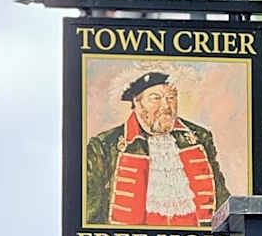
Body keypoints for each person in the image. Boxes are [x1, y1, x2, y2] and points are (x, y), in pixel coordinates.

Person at [86, 70, 229, 226]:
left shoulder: (199, 138)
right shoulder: (105, 146)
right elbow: (90, 214)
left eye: (171, 98)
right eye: (156, 98)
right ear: (137, 103)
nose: (166, 106)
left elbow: (220, 199)